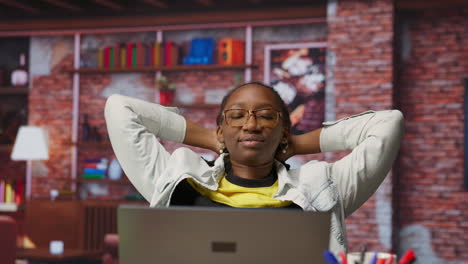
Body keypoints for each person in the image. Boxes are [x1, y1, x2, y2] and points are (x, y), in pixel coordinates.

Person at [104, 82, 404, 253]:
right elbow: (120, 108)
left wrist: (296, 143)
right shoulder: (177, 177)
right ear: (221, 128)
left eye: (266, 116)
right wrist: (210, 137)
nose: (251, 124)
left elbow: (388, 123)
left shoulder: (323, 186)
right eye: (236, 116)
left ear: (283, 129)